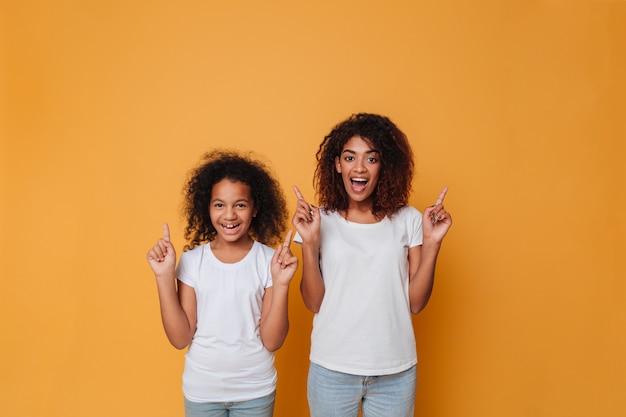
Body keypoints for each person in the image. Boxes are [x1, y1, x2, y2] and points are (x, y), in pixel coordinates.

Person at [292, 113, 453, 417]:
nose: (360, 168)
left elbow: (416, 303)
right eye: (350, 157)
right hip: (332, 369)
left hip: (395, 372)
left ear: (384, 165)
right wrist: (310, 244)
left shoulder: (407, 219)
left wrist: (432, 245)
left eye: (371, 158)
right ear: (337, 164)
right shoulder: (319, 221)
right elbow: (313, 302)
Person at [147, 149, 298, 417]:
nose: (229, 215)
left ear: (255, 209)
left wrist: (282, 283)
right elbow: (180, 338)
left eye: (240, 205)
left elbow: (272, 341)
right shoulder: (193, 262)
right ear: (207, 208)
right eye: (219, 205)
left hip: (255, 390)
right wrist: (163, 277)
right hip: (202, 391)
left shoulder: (269, 261)